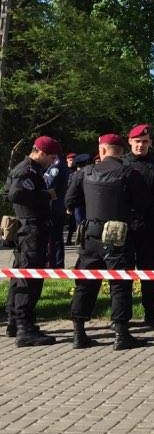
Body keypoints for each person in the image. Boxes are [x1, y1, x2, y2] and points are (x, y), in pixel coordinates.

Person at [66, 134, 150, 350]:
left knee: (85, 283)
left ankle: (78, 334)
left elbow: (70, 201)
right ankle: (121, 335)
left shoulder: (84, 172)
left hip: (90, 236)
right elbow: (143, 205)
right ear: (122, 151)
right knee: (120, 284)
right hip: (118, 235)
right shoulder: (130, 174)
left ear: (102, 150)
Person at [3, 136, 61, 346]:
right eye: (51, 157)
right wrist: (46, 195)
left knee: (20, 274)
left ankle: (15, 321)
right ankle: (24, 328)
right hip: (31, 230)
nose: (53, 162)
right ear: (41, 153)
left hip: (29, 229)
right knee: (30, 277)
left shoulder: (29, 169)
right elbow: (15, 194)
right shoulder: (27, 169)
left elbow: (8, 191)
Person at [124, 123, 154, 328]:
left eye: (144, 142)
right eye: (137, 141)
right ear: (130, 142)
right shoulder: (121, 163)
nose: (140, 145)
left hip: (150, 225)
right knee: (123, 272)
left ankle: (151, 312)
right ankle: (122, 316)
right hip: (126, 225)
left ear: (150, 143)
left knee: (150, 270)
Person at [44, 152, 70, 267]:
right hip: (55, 206)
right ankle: (55, 264)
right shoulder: (57, 164)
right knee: (55, 237)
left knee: (54, 238)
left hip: (54, 206)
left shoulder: (56, 166)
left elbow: (49, 184)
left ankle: (55, 265)